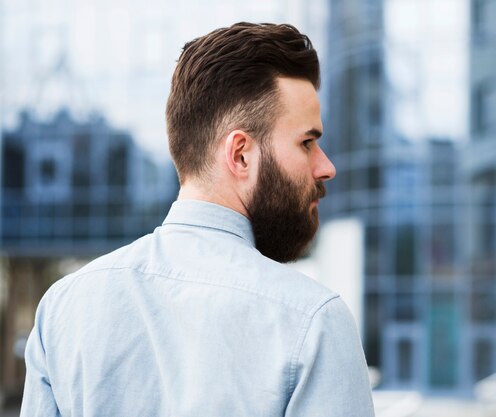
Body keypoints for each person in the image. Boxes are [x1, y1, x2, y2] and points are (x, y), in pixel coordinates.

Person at [20, 22, 375, 416]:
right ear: (241, 154)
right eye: (307, 142)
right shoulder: (313, 321)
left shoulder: (63, 309)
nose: (326, 167)